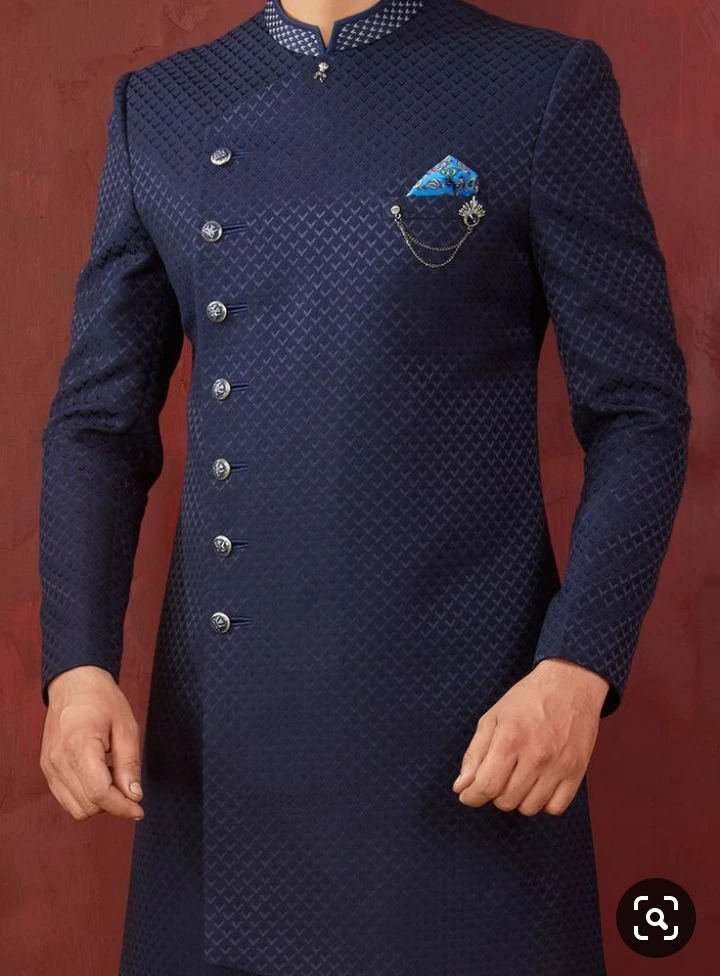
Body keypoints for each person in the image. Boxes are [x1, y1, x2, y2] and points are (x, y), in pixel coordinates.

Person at [38, 0, 692, 974]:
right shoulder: (163, 108)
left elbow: (639, 408)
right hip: (224, 763)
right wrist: (79, 669)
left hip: (471, 743)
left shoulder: (537, 87)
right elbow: (97, 422)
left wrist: (578, 665)